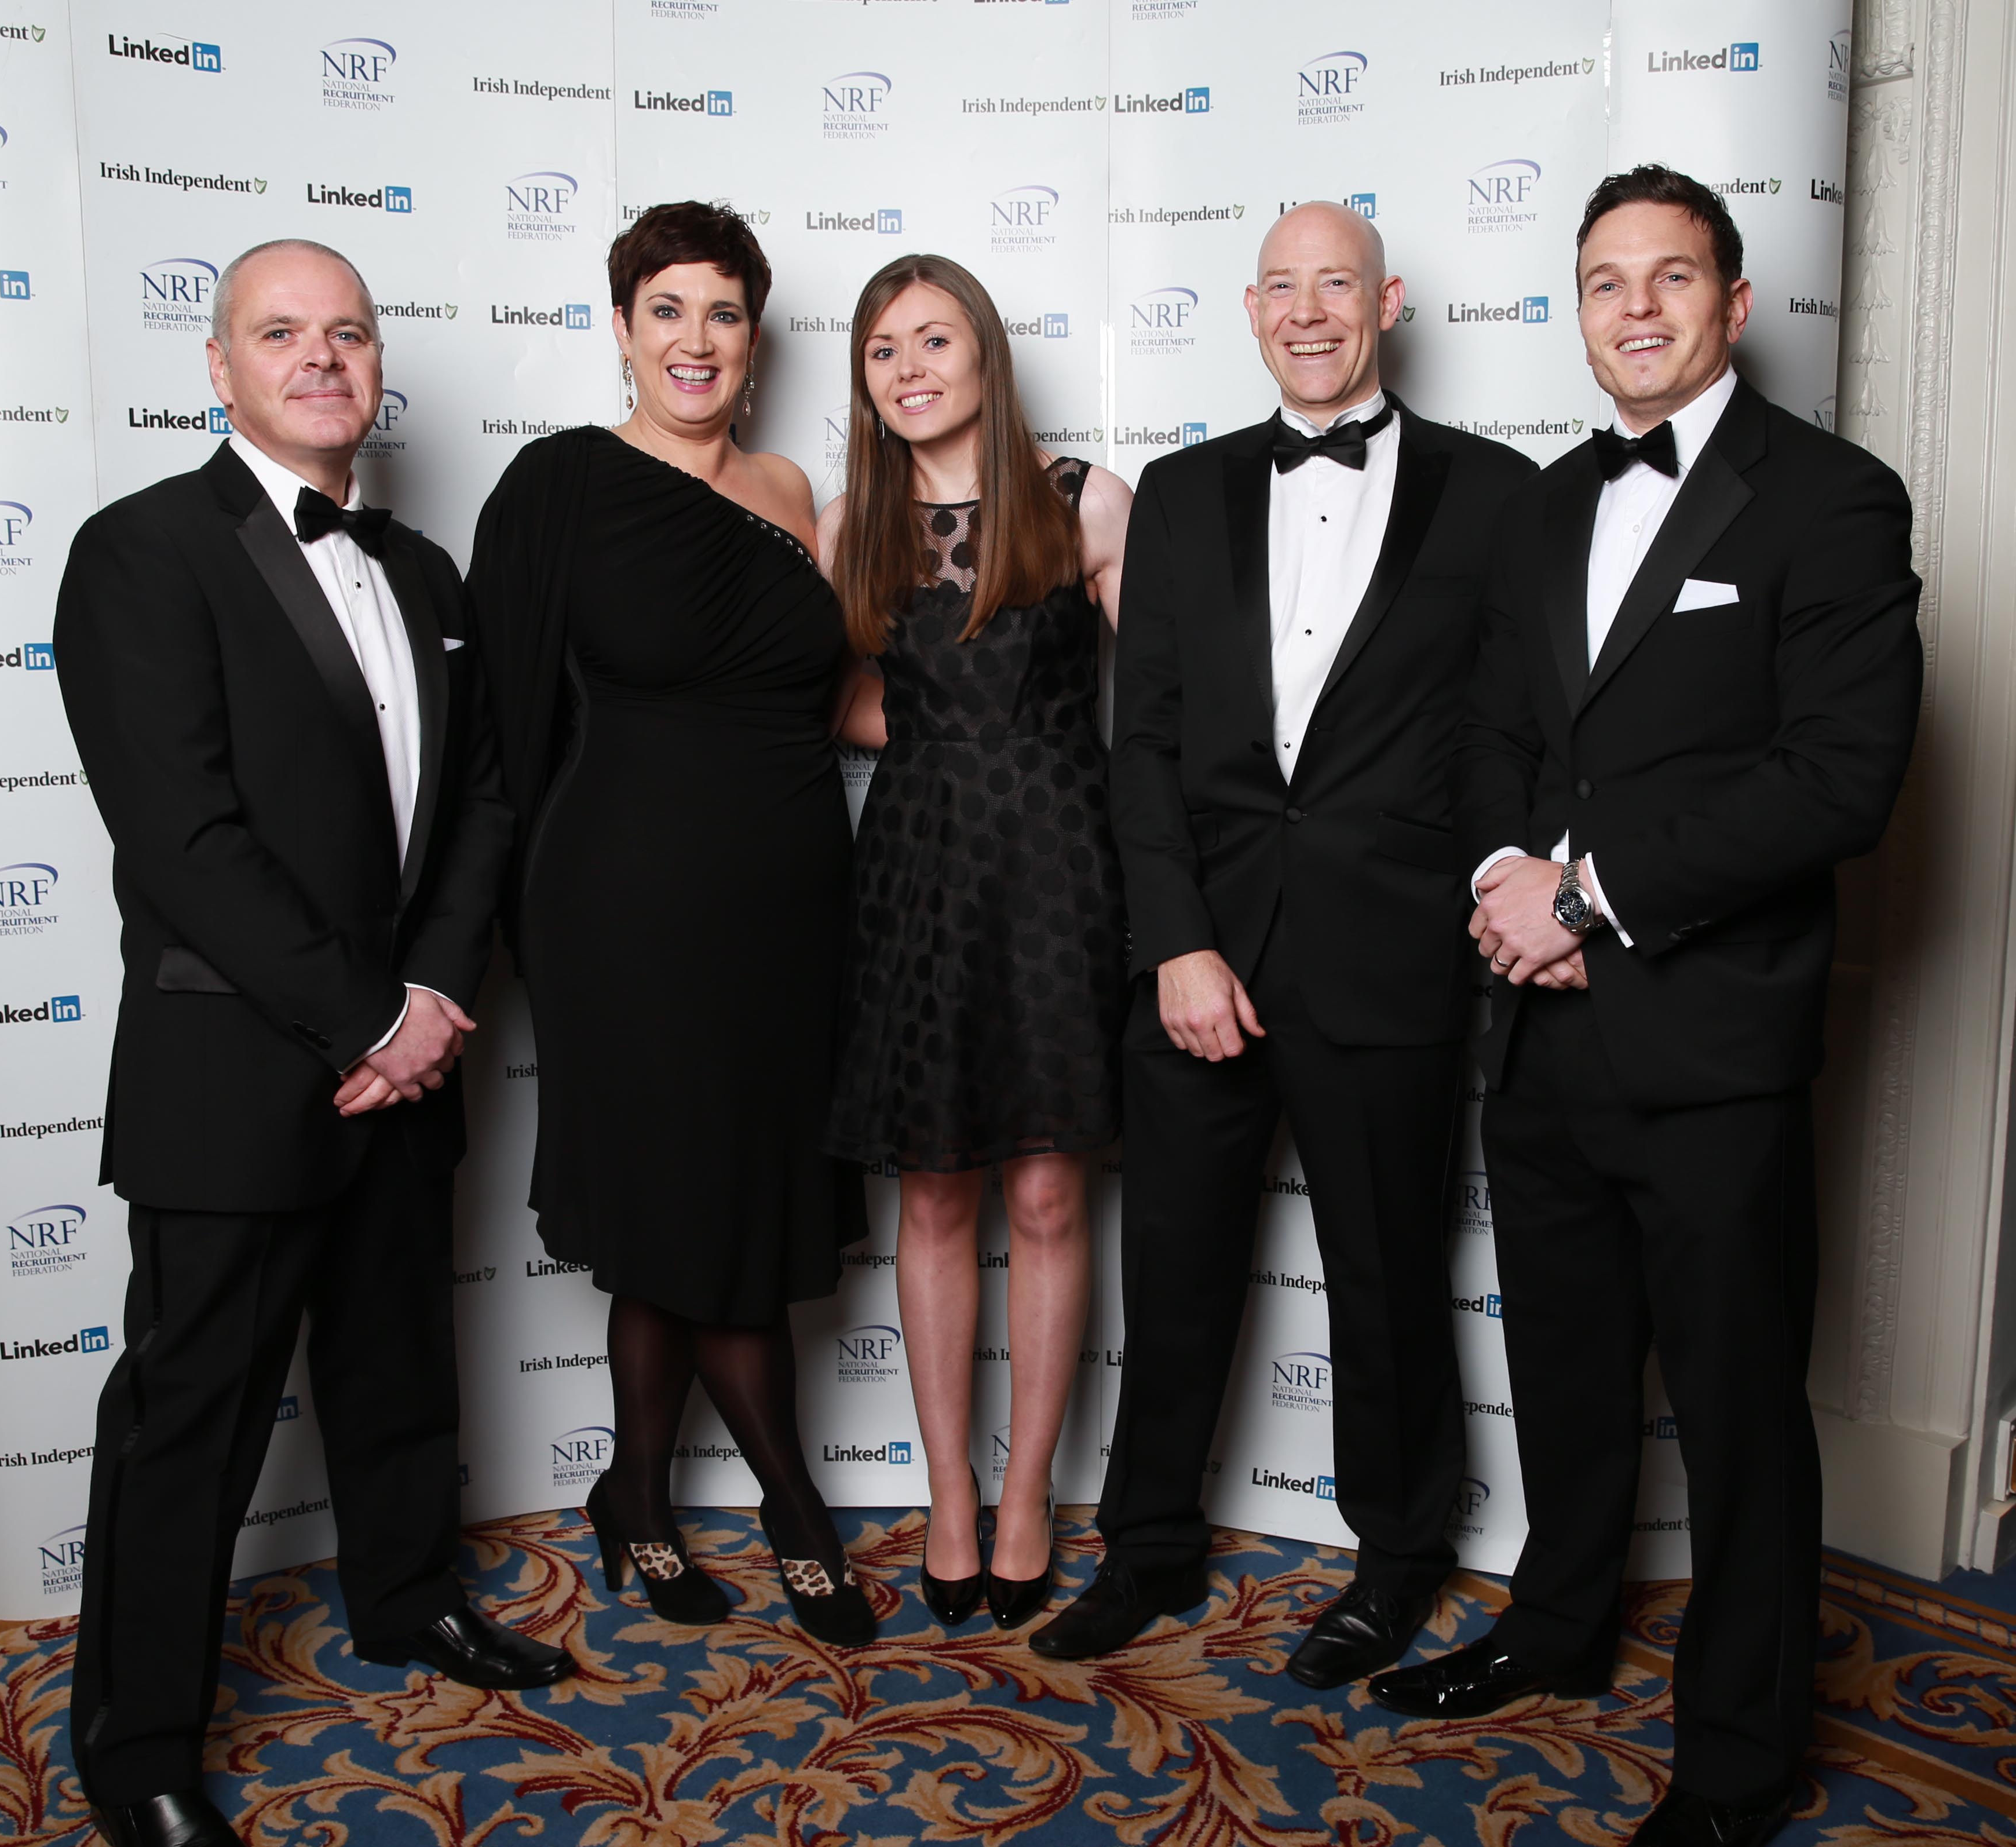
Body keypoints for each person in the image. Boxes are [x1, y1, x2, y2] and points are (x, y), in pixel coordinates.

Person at [1370, 167, 1922, 1847]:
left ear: (1732, 302)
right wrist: (1500, 877)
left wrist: (1589, 894)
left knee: (1741, 1413)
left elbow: (1838, 777)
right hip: (1539, 1034)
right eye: (1605, 280)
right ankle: (1555, 1625)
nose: (1634, 308)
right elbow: (1489, 738)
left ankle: (1740, 1758)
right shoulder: (1543, 507)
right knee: (1563, 1363)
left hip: (1708, 1042)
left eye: (1669, 277)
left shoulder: (1831, 499)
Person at [51, 238, 568, 1847]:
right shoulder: (141, 552)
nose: (322, 357)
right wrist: (370, 1019)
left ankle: (409, 1595)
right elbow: (184, 836)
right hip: (238, 1066)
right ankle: (140, 1754)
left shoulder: (424, 568)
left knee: (398, 1352)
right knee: (187, 1421)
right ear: (220, 367)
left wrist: (435, 994)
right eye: (282, 332)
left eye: (347, 332)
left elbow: (483, 803)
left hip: (406, 1053)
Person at [1029, 204, 1535, 1673]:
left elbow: (1506, 736)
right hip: (1206, 950)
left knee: (1389, 1279)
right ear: (1251, 311)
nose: (1310, 312)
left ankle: (1398, 1561)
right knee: (1174, 1269)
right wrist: (1176, 943)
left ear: (1389, 299)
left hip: (1391, 952)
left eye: (1337, 284)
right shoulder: (1182, 494)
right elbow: (1144, 741)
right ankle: (1147, 1548)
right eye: (1283, 288)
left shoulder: (1496, 495)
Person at [468, 202, 874, 1651]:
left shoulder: (791, 489)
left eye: (723, 311)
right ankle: (796, 1506)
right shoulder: (559, 483)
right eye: (668, 310)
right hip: (625, 908)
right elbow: (500, 720)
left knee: (715, 1203)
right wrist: (493, 926)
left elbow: (839, 702)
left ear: (753, 338)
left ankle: (632, 1487)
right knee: (686, 1201)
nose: (696, 338)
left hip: (789, 908)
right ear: (623, 329)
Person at [823, 255, 1131, 1631]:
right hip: (920, 874)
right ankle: (948, 1489)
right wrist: (951, 730)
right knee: (937, 1195)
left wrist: (1022, 740)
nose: (910, 368)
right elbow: (837, 699)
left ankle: (1026, 1492)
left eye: (934, 339)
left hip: (1058, 868)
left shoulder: (1084, 501)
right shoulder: (853, 523)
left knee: (1051, 1196)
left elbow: (1165, 704)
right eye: (883, 349)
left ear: (986, 354)